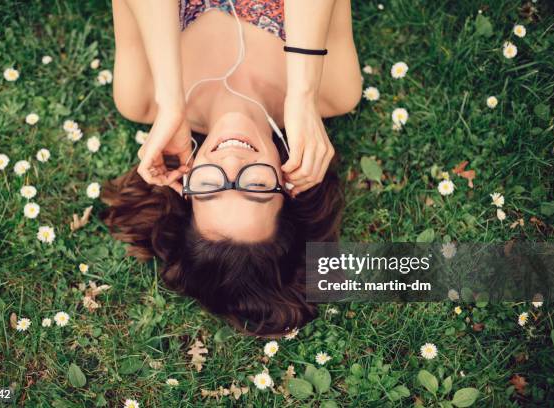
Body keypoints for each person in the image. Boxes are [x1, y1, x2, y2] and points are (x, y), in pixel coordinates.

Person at [100, 0, 362, 337]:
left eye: (211, 188)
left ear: (187, 182)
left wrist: (171, 100)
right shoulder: (333, 91)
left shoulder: (144, 97)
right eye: (254, 187)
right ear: (287, 184)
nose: (232, 163)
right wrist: (302, 93)